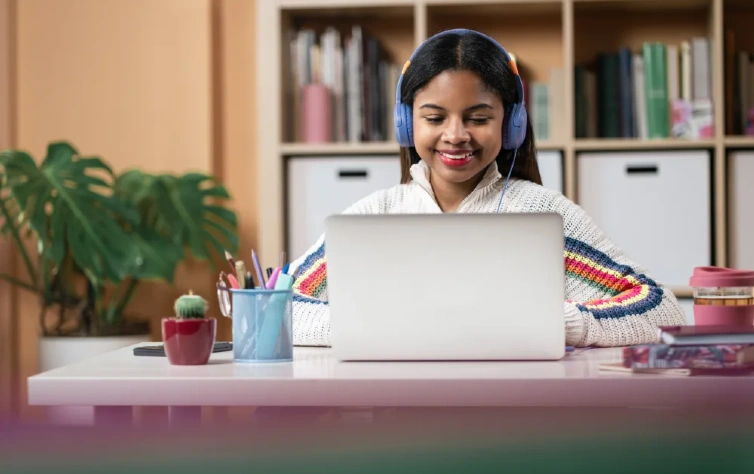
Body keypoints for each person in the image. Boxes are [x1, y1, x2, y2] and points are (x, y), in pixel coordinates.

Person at [288, 29, 686, 348]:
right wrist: (386, 327)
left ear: (511, 124)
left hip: (516, 419)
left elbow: (661, 309)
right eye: (435, 117)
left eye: (478, 118)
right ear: (407, 124)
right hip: (400, 418)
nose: (455, 135)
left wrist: (551, 322)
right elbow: (283, 308)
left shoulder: (543, 215)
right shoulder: (376, 215)